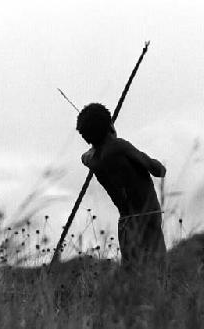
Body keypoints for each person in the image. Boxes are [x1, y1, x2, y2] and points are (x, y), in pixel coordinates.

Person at [76, 103, 167, 269]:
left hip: (125, 225)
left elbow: (85, 156)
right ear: (110, 125)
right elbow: (159, 170)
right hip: (147, 221)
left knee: (134, 280)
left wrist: (97, 144)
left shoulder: (92, 160)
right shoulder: (119, 146)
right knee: (158, 277)